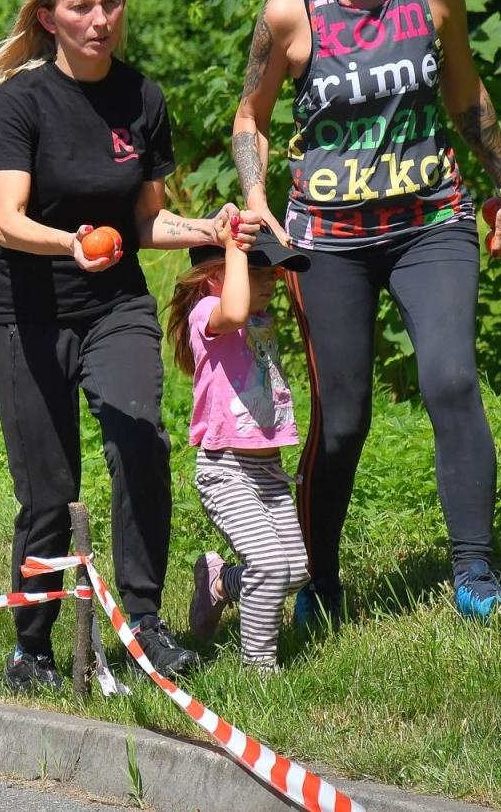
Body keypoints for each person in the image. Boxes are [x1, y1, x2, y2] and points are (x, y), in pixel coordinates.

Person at [229, 0, 501, 625]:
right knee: (343, 419)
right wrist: (257, 201)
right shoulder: (290, 12)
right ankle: (319, 581)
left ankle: (474, 573)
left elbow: (466, 94)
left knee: (452, 379)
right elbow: (250, 117)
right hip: (327, 238)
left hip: (432, 217)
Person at [0, 0, 254, 692]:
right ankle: (31, 649)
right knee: (48, 491)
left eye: (110, 3)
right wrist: (70, 242)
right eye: (80, 7)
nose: (99, 19)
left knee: (139, 440)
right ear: (48, 16)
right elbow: (8, 221)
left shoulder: (142, 97)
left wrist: (210, 230)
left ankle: (143, 626)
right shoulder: (22, 100)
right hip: (26, 315)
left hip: (115, 306)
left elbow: (141, 224)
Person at [165, 224, 312, 672]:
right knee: (269, 566)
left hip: (268, 471)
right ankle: (259, 669)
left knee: (296, 571)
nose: (271, 281)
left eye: (272, 274)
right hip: (226, 471)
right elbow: (231, 309)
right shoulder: (209, 312)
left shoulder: (258, 319)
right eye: (258, 270)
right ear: (217, 274)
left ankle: (221, 582)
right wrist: (232, 245)